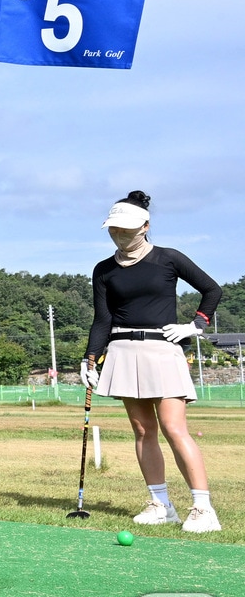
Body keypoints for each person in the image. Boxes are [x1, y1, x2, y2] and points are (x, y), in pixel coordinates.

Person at [81, 191, 222, 533]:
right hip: (123, 350)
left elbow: (212, 289)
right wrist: (89, 360)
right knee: (143, 431)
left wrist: (196, 324)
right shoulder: (103, 270)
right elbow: (103, 319)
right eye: (114, 229)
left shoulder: (168, 259)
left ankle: (203, 508)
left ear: (145, 226)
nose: (120, 234)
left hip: (163, 348)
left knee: (174, 428)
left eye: (127, 229)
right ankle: (161, 505)